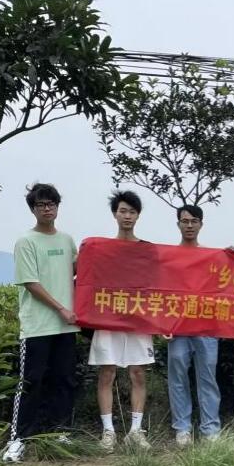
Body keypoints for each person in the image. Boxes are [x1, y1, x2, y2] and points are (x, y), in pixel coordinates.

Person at [3, 183, 79, 462]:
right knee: (30, 382)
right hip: (37, 325)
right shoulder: (26, 241)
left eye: (51, 204)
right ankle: (18, 439)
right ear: (33, 209)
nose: (47, 209)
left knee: (65, 380)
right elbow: (31, 283)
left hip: (66, 325)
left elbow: (76, 270)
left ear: (58, 207)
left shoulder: (67, 240)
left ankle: (61, 434)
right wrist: (61, 308)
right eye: (41, 205)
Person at [89, 190, 155, 452]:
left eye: (132, 211)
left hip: (138, 319)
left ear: (138, 215)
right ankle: (108, 432)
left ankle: (135, 431)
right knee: (107, 372)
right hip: (109, 317)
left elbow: (159, 285)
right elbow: (86, 277)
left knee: (138, 373)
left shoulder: (147, 250)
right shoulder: (102, 249)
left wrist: (162, 320)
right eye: (123, 211)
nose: (127, 216)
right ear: (115, 214)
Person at [165, 204, 221, 447]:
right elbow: (162, 291)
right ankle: (182, 428)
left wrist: (232, 257)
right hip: (178, 326)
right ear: (178, 224)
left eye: (194, 221)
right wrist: (163, 323)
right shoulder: (169, 256)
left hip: (206, 325)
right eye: (185, 221)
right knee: (177, 376)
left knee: (207, 376)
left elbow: (226, 284)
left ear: (201, 224)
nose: (189, 225)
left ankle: (210, 428)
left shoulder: (211, 256)